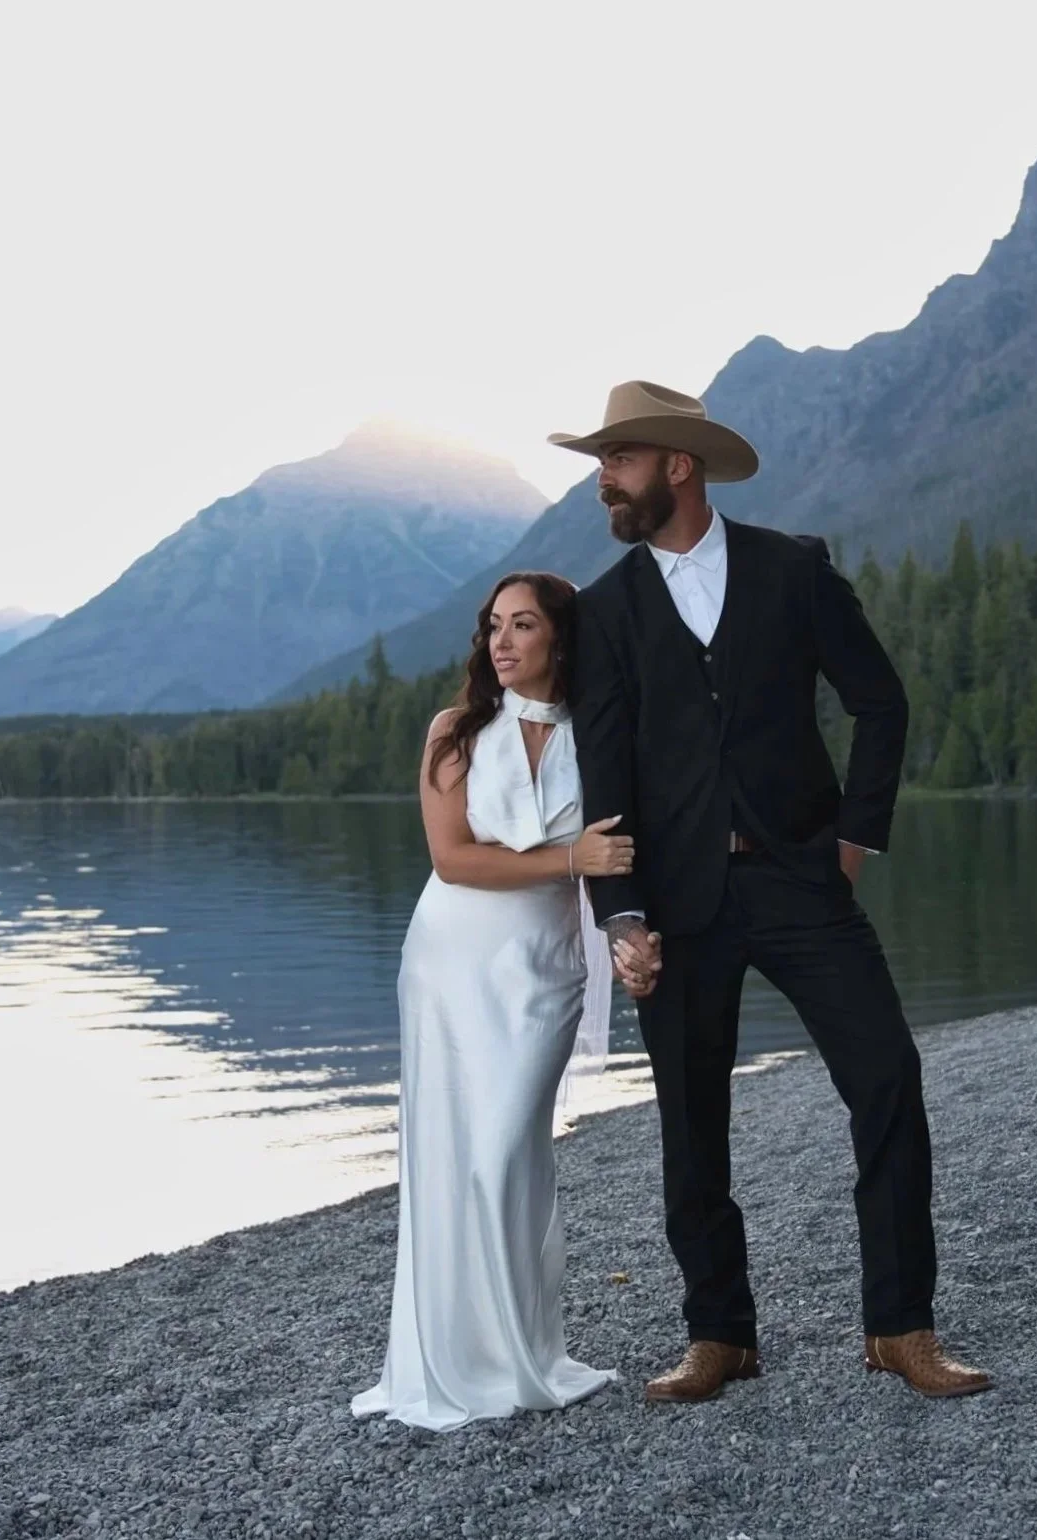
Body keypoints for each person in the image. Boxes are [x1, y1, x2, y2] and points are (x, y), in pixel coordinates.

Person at [553, 380, 992, 1403]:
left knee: (885, 1076)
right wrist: (621, 919)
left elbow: (879, 703)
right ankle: (719, 1334)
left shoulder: (791, 570)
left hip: (801, 879)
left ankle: (898, 1327)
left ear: (677, 464)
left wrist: (849, 845)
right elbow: (604, 778)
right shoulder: (603, 611)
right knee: (689, 1119)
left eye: (618, 458)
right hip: (675, 901)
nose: (603, 479)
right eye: (600, 460)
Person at [350, 571, 630, 1431]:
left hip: (544, 964)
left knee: (509, 1149)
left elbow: (625, 852)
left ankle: (521, 1348)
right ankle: (454, 1357)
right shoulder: (456, 731)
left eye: (522, 625)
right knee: (449, 1151)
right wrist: (569, 859)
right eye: (492, 626)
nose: (500, 642)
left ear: (559, 638)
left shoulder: (603, 731)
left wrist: (630, 934)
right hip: (448, 959)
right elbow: (453, 859)